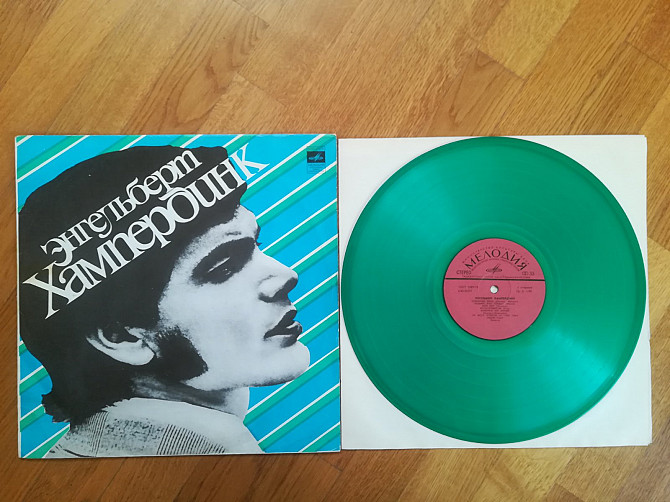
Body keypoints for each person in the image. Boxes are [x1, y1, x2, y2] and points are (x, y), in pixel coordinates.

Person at [18, 145, 309, 457]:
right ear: (121, 337)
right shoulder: (218, 453)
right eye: (224, 268)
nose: (286, 275)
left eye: (256, 245)